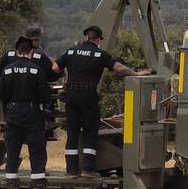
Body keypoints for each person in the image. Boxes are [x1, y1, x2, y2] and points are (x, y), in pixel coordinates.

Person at [54, 25, 146, 176]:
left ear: (86, 37)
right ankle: (88, 169)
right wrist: (137, 73)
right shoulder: (100, 54)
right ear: (98, 40)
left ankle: (71, 169)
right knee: (90, 132)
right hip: (88, 96)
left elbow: (55, 68)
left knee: (72, 133)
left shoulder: (71, 51)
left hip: (71, 96)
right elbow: (119, 69)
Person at [0, 35, 57, 189]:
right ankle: (38, 183)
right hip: (32, 112)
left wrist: (9, 106)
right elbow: (45, 95)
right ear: (31, 52)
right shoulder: (36, 70)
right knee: (36, 147)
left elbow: (2, 94)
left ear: (17, 52)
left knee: (13, 146)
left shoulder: (7, 70)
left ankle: (10, 181)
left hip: (14, 111)